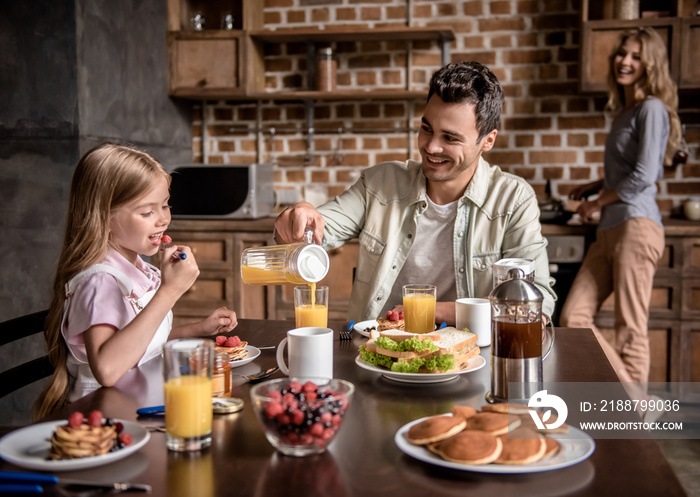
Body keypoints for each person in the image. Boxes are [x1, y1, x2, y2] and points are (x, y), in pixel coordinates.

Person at [275, 61, 556, 325]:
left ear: (488, 141)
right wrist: (296, 219)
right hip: (376, 351)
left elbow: (537, 303)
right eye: (426, 129)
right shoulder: (379, 183)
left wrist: (430, 309)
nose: (431, 147)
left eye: (450, 138)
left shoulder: (513, 199)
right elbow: (309, 234)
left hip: (469, 357)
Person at [34, 143, 238, 420]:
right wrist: (170, 291)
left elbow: (142, 343)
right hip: (106, 423)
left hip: (142, 406)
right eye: (147, 212)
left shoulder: (139, 269)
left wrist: (198, 328)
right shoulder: (101, 282)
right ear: (104, 217)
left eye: (165, 205)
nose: (164, 219)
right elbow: (107, 369)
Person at [560, 27, 681, 388]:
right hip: (610, 229)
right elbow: (629, 170)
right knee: (573, 317)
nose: (625, 62)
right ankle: (638, 403)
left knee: (630, 327)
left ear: (650, 64)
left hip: (637, 225)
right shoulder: (625, 112)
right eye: (621, 54)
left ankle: (634, 418)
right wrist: (595, 186)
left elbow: (645, 175)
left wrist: (598, 201)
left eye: (635, 56)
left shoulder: (653, 108)